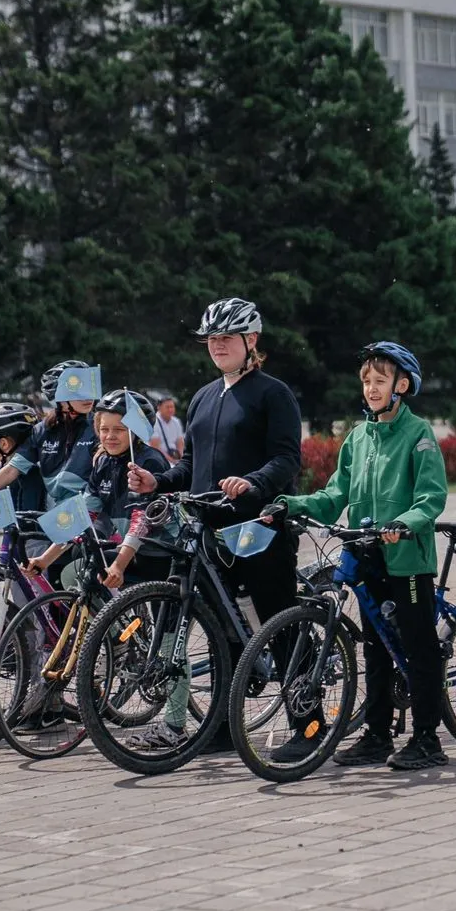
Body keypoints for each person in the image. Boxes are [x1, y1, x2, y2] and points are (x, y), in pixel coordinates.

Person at [125, 297, 302, 752]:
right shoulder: (203, 396)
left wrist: (252, 482)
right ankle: (222, 728)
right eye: (212, 339)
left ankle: (308, 725)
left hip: (258, 527)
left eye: (227, 338)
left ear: (252, 340)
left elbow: (286, 459)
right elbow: (189, 466)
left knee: (278, 623)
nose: (217, 346)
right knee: (223, 633)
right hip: (209, 531)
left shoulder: (273, 393)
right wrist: (155, 480)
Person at [264, 343, 449, 770]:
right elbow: (334, 496)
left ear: (401, 386)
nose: (370, 388)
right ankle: (378, 735)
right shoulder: (359, 437)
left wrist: (403, 523)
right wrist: (291, 504)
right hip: (365, 555)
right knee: (376, 649)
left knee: (419, 647)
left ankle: (427, 738)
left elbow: (431, 497)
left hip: (406, 558)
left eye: (380, 381)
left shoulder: (418, 434)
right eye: (366, 381)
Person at [25, 389, 171, 588]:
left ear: (135, 432)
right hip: (133, 550)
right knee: (87, 571)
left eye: (119, 430)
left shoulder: (149, 461)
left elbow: (141, 521)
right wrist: (44, 559)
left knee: (163, 617)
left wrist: (118, 566)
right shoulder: (103, 462)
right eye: (104, 429)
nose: (109, 436)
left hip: (161, 553)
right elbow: (82, 514)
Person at [0, 360, 99, 514]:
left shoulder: (99, 428)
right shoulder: (42, 430)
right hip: (59, 513)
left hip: (91, 512)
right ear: (58, 396)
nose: (88, 397)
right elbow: (11, 470)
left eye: (90, 389)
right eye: (78, 391)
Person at [151, 396, 186, 463]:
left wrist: (181, 459)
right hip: (159, 458)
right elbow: (155, 447)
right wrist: (172, 461)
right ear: (159, 407)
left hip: (175, 457)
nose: (170, 409)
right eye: (167, 407)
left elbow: (180, 443)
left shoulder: (176, 421)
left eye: (172, 407)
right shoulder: (153, 422)